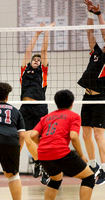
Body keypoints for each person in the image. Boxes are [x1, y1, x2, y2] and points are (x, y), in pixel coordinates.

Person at [24, 89, 94, 200]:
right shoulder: (73, 116)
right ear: (72, 103)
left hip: (42, 154)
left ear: (56, 103)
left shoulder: (46, 117)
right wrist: (81, 155)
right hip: (60, 152)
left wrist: (44, 144)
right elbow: (74, 137)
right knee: (89, 177)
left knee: (55, 180)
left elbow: (32, 135)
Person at [19, 22, 55, 184]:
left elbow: (44, 50)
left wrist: (46, 32)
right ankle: (39, 162)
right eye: (35, 59)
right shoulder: (24, 70)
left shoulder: (43, 73)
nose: (37, 60)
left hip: (40, 108)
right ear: (30, 62)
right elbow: (29, 51)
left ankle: (45, 167)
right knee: (27, 137)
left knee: (40, 140)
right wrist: (37, 33)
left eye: (39, 60)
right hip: (25, 108)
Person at [78, 0, 105, 185]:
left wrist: (99, 14)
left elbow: (103, 31)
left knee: (98, 133)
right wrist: (89, 13)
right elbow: (90, 33)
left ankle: (103, 168)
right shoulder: (96, 52)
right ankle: (93, 164)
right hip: (87, 96)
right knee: (85, 133)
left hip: (101, 98)